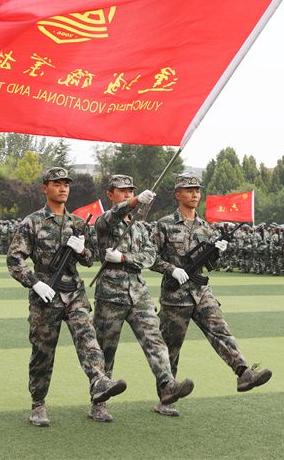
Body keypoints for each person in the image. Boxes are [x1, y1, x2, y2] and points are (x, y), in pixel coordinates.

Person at [6, 167, 127, 427]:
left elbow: (90, 260)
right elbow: (14, 260)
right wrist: (35, 283)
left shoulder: (78, 223)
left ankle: (99, 383)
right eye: (57, 183)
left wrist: (82, 250)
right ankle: (38, 404)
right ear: (45, 188)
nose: (63, 188)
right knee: (43, 352)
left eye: (66, 184)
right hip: (45, 295)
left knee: (88, 338)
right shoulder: (32, 222)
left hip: (74, 293)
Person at [151, 173, 272, 417]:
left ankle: (243, 373)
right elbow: (149, 256)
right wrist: (171, 269)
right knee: (171, 348)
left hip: (201, 291)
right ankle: (166, 396)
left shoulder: (206, 227)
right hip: (175, 296)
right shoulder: (164, 224)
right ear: (178, 194)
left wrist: (216, 252)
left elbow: (209, 265)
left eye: (197, 190)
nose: (195, 194)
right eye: (189, 190)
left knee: (221, 330)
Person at [92, 174, 194, 422]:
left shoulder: (139, 227)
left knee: (155, 340)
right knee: (106, 350)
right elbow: (114, 215)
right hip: (111, 295)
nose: (127, 194)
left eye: (130, 190)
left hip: (138, 292)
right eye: (122, 191)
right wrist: (135, 201)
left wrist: (125, 259)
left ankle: (167, 385)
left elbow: (149, 257)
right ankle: (98, 402)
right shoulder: (105, 221)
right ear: (110, 194)